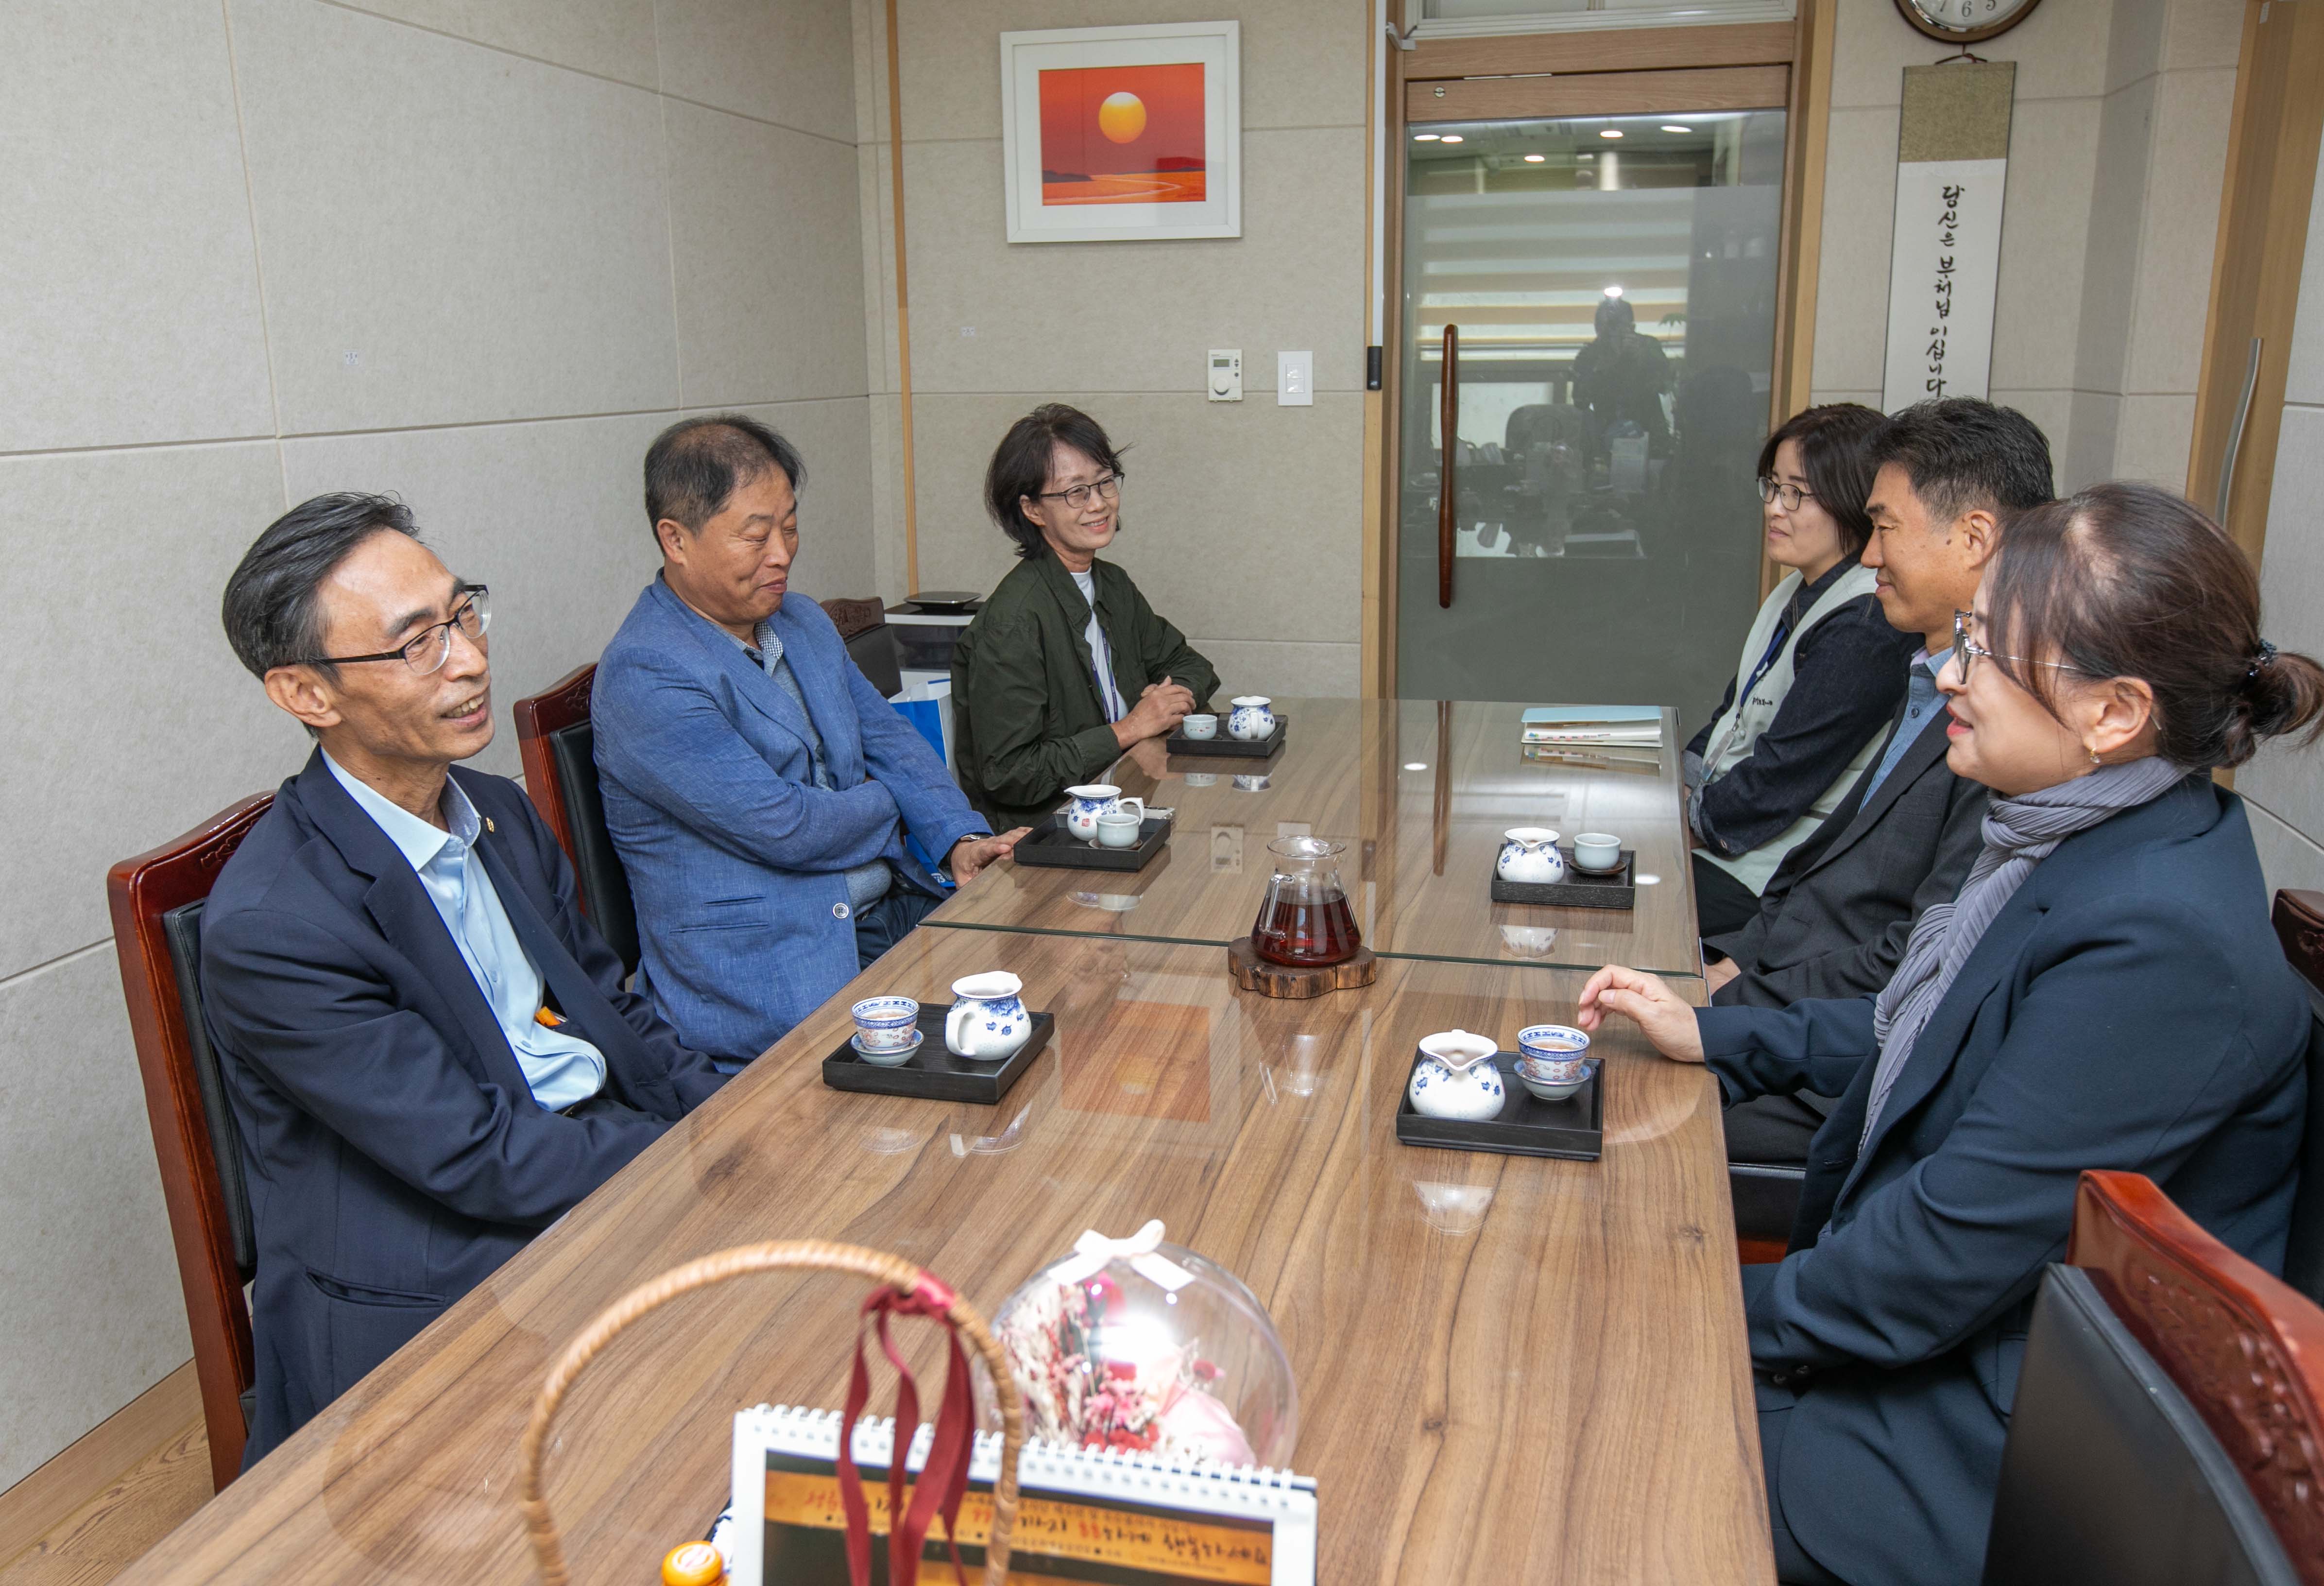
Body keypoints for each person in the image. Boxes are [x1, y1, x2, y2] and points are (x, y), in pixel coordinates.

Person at [1577, 483, 2324, 1586]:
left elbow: (1933, 1261)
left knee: (1570, 1458)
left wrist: (1674, 1313)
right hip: (1917, 1356)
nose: (1944, 675)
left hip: (1973, 1447)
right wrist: (1715, 1035)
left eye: (1984, 654)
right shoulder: (2084, 834)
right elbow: (1926, 1039)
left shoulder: (2162, 952)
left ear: (2114, 713)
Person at [201, 496, 729, 1464]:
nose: (471, 658)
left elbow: (612, 1009)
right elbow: (474, 1157)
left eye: (462, 614)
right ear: (307, 695)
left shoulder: (493, 810)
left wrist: (737, 1119)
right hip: (441, 1265)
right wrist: (683, 1166)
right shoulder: (275, 921)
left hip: (576, 1162)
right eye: (415, 645)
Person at [593, 416, 1025, 1065]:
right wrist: (892, 806)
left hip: (889, 913)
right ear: (676, 541)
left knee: (1052, 969)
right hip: (773, 973)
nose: (782, 553)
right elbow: (785, 826)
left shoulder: (799, 621)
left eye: (789, 525)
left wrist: (958, 838)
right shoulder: (646, 673)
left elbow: (893, 742)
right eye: (755, 535)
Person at [1710, 398, 2053, 1167]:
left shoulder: (2009, 734)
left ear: (1974, 539)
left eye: (1885, 529)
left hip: (1837, 1068)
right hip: (1798, 1009)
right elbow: (1821, 874)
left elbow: (1920, 954)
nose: (1868, 558)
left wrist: (1729, 1003)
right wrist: (1737, 964)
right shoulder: (1926, 669)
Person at [1686, 405, 1920, 938]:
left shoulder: (1867, 621)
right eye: (1771, 487)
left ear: (1856, 502)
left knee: (1619, 896)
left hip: (1778, 868)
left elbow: (1779, 781)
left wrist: (1680, 823)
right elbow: (1732, 713)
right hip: (1734, 834)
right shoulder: (1797, 588)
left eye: (1798, 493)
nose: (1774, 508)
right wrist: (1674, 788)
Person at [950, 404, 1222, 830]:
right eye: (1076, 492)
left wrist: (1171, 698)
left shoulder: (1111, 583)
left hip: (1127, 804)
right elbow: (1010, 774)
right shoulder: (1013, 624)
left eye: (1104, 483)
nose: (1099, 504)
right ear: (1033, 510)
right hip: (1047, 832)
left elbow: (1190, 664)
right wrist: (1130, 728)